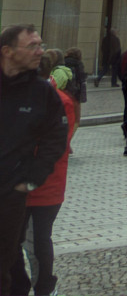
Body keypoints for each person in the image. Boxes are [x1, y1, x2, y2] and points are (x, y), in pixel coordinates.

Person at [0, 25, 68, 296]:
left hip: (10, 196)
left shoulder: (42, 92)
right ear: (7, 51)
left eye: (41, 45)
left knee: (4, 264)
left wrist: (30, 179)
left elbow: (56, 138)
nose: (40, 51)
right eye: (32, 46)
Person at [11, 61, 76, 296]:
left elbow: (55, 145)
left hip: (44, 185)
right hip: (17, 184)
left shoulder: (57, 100)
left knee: (37, 241)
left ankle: (44, 288)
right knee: (13, 242)